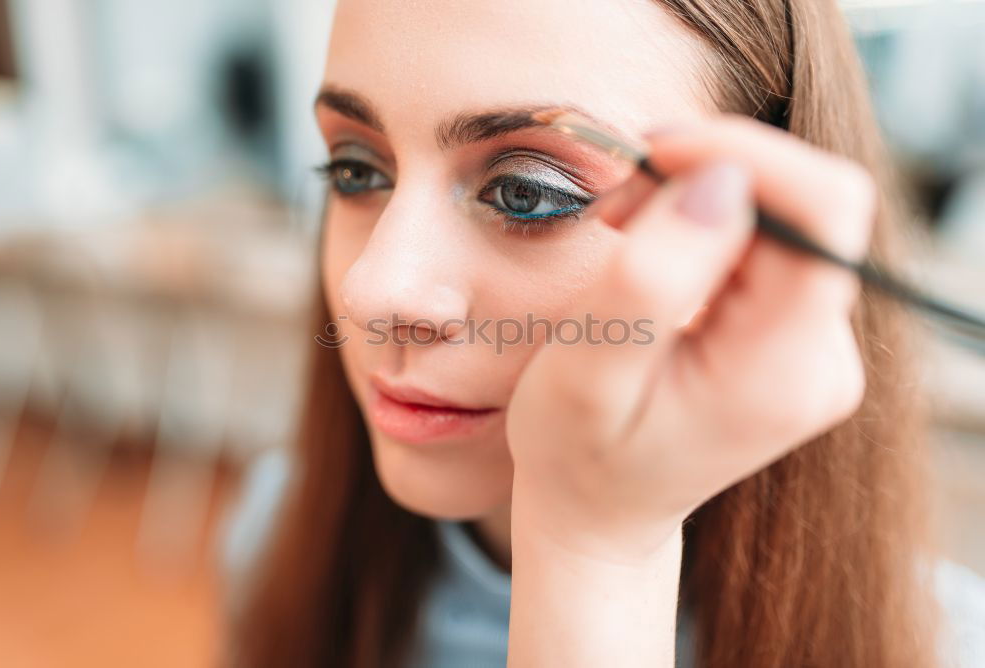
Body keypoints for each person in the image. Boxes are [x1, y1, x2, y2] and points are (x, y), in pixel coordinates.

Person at [224, 0, 985, 666]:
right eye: (357, 170)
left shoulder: (949, 649)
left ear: (755, 246)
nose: (374, 291)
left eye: (526, 193)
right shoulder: (272, 534)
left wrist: (597, 552)